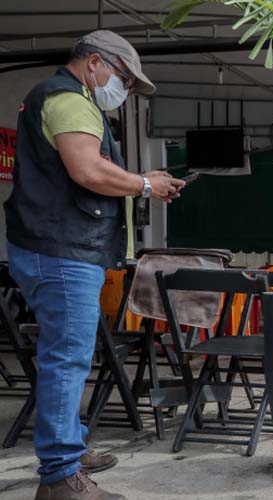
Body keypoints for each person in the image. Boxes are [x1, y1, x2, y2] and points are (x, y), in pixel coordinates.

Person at [5, 31, 185, 500]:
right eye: (123, 77)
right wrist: (144, 183)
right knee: (66, 360)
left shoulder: (66, 98)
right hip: (62, 251)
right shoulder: (68, 99)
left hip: (59, 248)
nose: (122, 89)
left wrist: (144, 183)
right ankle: (62, 477)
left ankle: (70, 448)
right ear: (94, 63)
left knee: (67, 357)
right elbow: (88, 170)